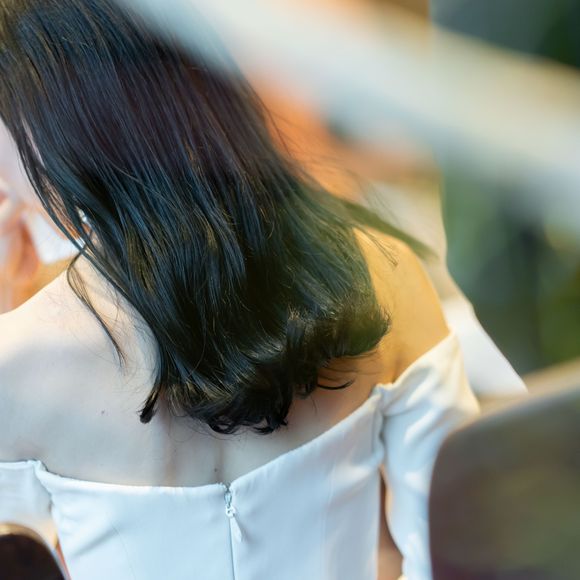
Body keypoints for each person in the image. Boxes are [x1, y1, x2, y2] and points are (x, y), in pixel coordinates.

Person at [0, 1, 479, 579]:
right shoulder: (387, 272)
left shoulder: (18, 364)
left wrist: (10, 300)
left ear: (44, 130)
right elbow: (462, 545)